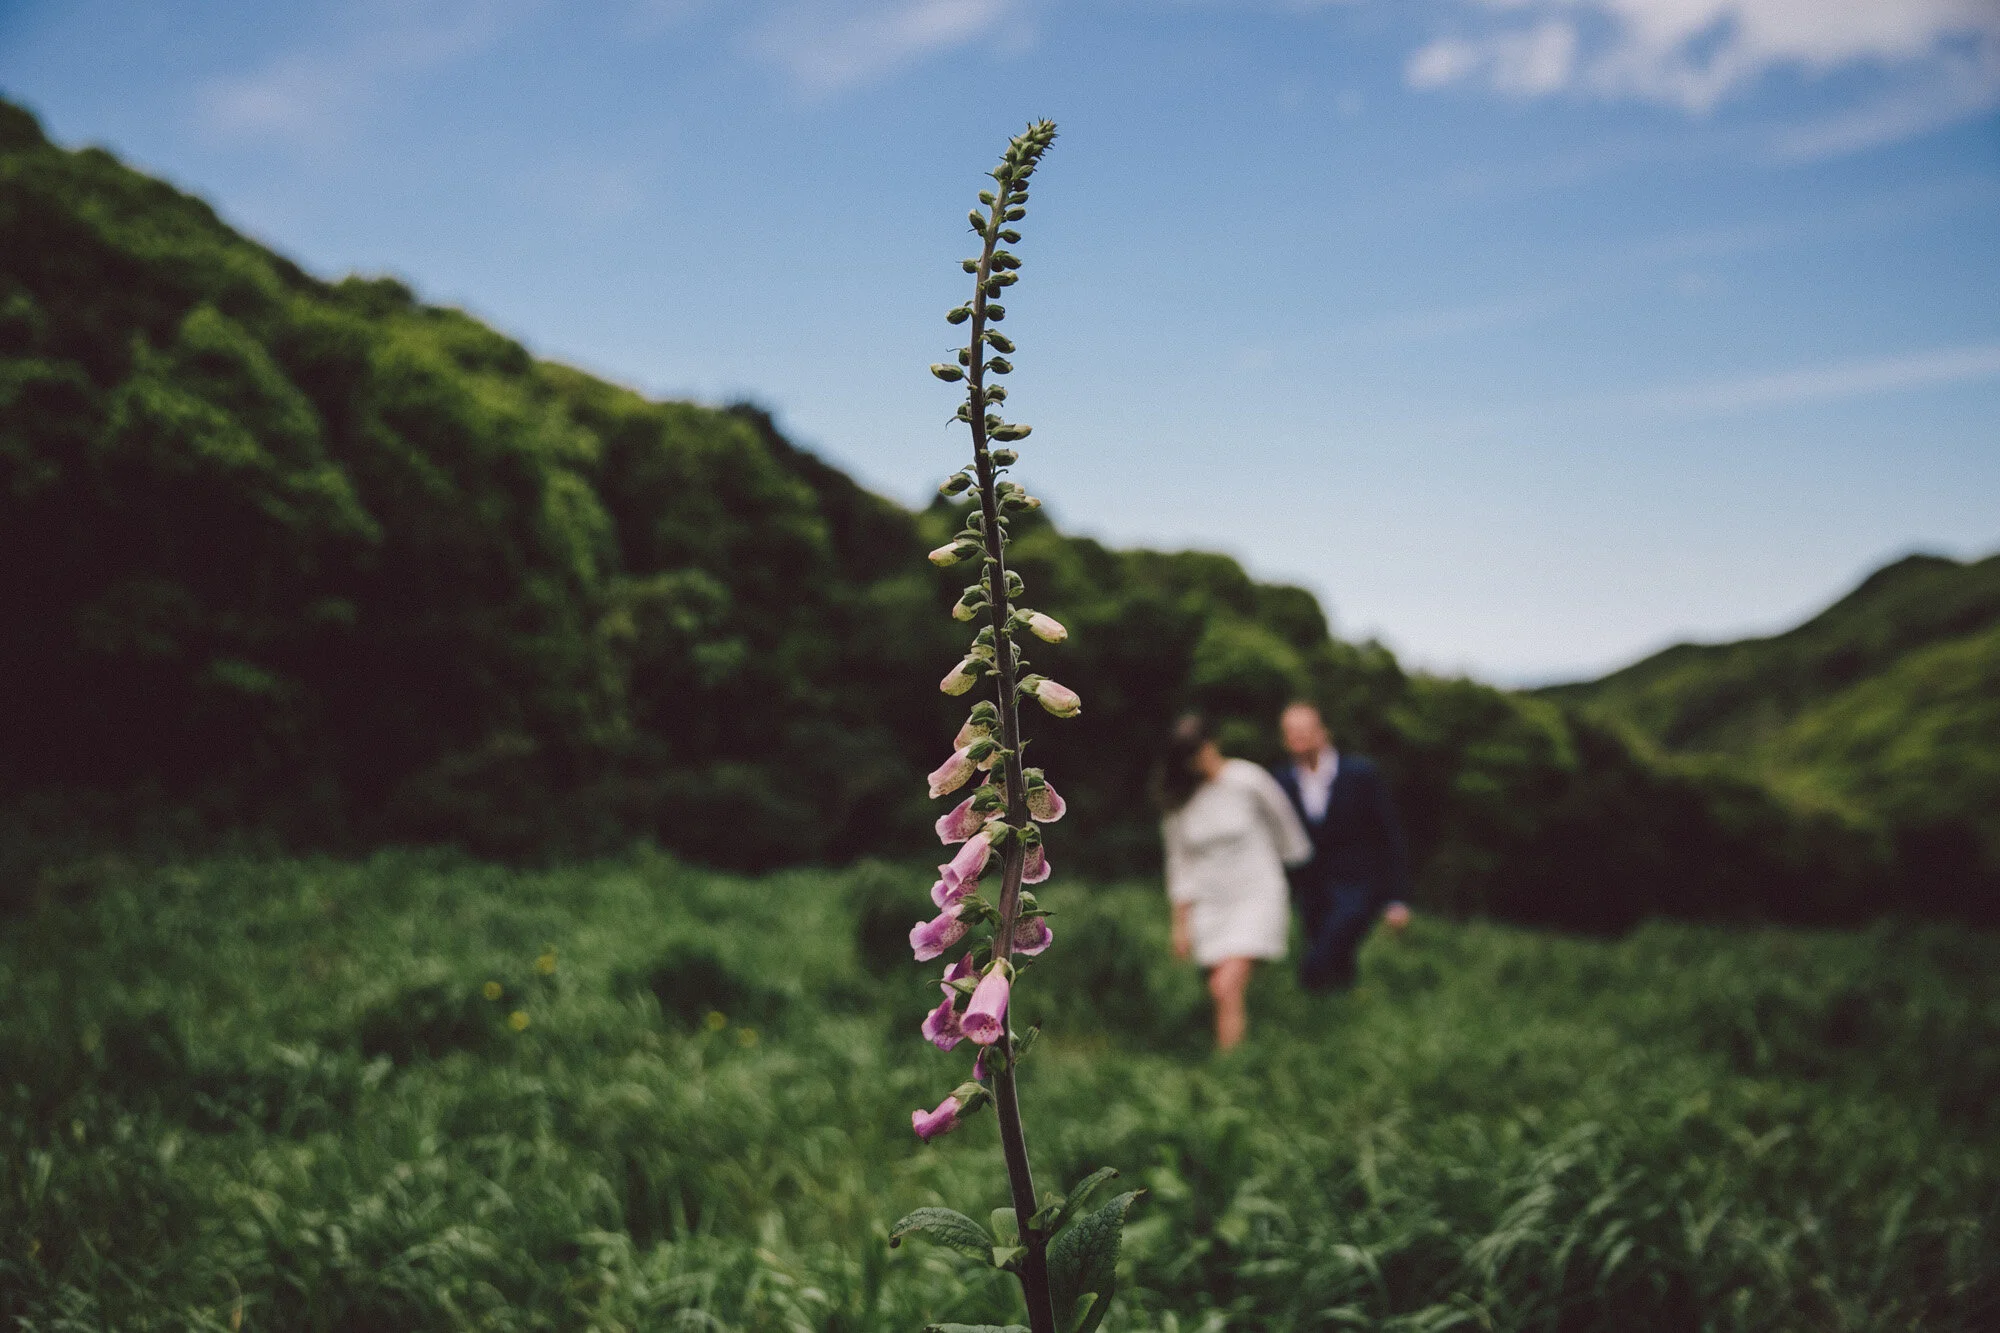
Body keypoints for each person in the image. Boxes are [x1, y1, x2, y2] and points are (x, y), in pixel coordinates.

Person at [1157, 714, 1312, 1050]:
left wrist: (1299, 874)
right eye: (1191, 756)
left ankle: (1229, 1069)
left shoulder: (1247, 778)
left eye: (1203, 749)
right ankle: (1232, 1054)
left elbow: (1286, 826)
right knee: (1220, 988)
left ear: (1214, 744)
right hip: (1210, 904)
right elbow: (1179, 865)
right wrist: (1180, 924)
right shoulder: (1179, 801)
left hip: (1257, 892)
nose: (1200, 760)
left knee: (1224, 987)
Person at [1271, 701, 1411, 992]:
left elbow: (1389, 836)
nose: (1296, 738)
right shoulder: (1280, 781)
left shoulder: (1360, 775)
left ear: (1322, 733)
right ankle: (1337, 1016)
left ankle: (1308, 996)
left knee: (1319, 959)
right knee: (1335, 958)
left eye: (1303, 731)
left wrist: (1396, 898)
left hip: (1358, 886)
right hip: (1311, 887)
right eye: (1290, 732)